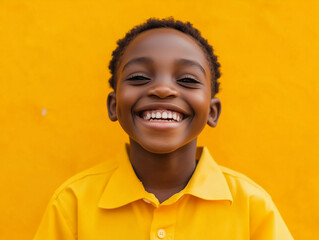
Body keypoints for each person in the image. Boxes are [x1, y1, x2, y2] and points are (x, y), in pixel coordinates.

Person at [33, 18, 293, 240]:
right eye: (139, 78)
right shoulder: (73, 203)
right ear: (113, 105)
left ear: (212, 111)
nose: (163, 89)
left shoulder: (251, 206)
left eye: (187, 80)